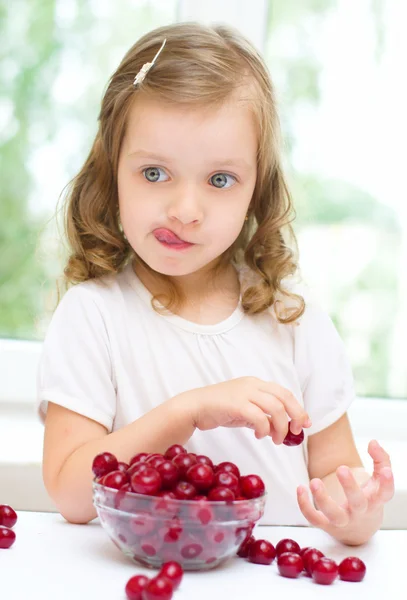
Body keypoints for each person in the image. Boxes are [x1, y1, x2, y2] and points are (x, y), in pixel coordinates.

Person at [36, 22, 394, 545]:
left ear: (256, 190)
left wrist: (357, 513)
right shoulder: (92, 316)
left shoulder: (294, 320)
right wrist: (189, 410)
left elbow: (337, 477)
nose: (185, 211)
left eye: (220, 180)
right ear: (113, 170)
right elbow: (70, 492)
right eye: (155, 173)